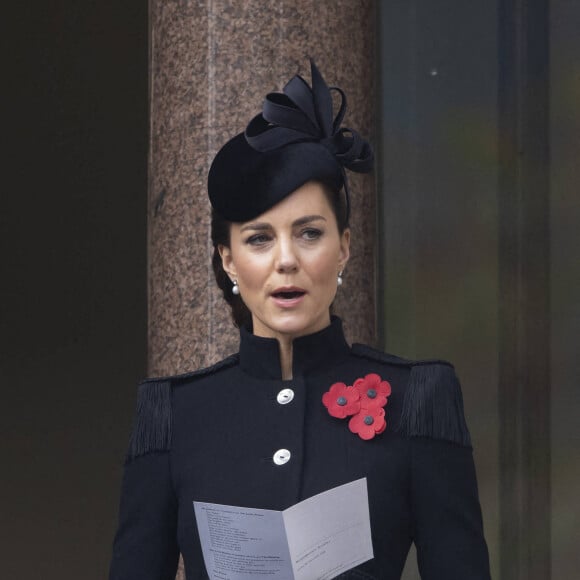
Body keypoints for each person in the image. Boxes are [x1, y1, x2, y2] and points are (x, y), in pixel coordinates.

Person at [109, 61, 490, 580]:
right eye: (259, 238)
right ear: (227, 259)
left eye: (309, 233)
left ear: (344, 248)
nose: (286, 259)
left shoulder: (418, 400)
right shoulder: (175, 414)